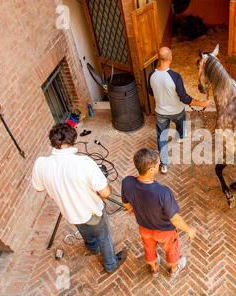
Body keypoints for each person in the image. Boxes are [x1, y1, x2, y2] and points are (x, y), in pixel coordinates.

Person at [31, 123, 127, 273]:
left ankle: (91, 247)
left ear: (52, 142)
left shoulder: (40, 164)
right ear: (74, 140)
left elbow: (38, 188)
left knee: (84, 230)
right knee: (104, 236)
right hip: (92, 211)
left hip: (69, 212)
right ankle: (110, 264)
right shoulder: (84, 163)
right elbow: (106, 193)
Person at [121, 148, 196, 277]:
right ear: (151, 169)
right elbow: (174, 218)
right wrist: (189, 229)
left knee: (149, 248)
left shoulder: (127, 182)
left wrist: (130, 208)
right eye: (158, 163)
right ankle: (174, 269)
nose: (159, 164)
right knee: (171, 250)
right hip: (165, 232)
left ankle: (154, 268)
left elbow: (126, 202)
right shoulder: (163, 192)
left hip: (144, 228)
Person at [148, 47, 210, 174]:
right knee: (181, 123)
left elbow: (150, 92)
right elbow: (185, 98)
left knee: (162, 137)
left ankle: (163, 165)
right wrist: (202, 103)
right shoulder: (175, 77)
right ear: (170, 58)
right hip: (177, 110)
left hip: (160, 112)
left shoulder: (151, 75)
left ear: (158, 59)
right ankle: (181, 137)